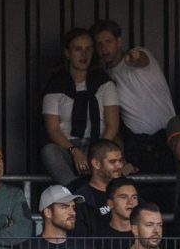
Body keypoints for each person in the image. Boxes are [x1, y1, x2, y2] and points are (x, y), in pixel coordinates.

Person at [90, 19, 177, 169]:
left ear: (119, 41)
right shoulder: (105, 79)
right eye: (99, 44)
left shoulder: (139, 54)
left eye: (108, 42)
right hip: (139, 146)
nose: (104, 48)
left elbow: (140, 59)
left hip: (167, 137)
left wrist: (135, 58)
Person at [39, 28, 120, 185]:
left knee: (111, 155)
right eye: (77, 49)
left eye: (88, 49)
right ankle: (78, 192)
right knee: (49, 151)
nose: (84, 54)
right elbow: (53, 129)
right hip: (67, 147)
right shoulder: (55, 85)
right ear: (67, 53)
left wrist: (96, 153)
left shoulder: (104, 83)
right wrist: (74, 151)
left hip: (98, 143)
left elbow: (112, 124)